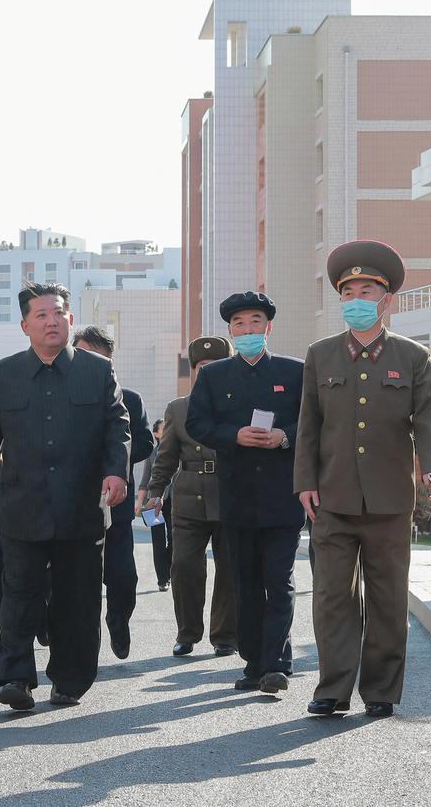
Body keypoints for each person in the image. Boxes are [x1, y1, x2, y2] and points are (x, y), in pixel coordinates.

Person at [295, 240, 431, 719]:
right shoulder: (320, 355)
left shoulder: (413, 356)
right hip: (333, 496)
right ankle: (333, 689)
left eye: (366, 291)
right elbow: (308, 425)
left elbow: (429, 418)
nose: (356, 300)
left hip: (389, 498)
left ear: (386, 300)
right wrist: (305, 481)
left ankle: (380, 690)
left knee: (386, 597)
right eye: (348, 292)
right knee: (331, 598)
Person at [0, 283, 130, 711]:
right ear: (25, 326)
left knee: (78, 598)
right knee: (18, 595)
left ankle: (69, 680)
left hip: (80, 507)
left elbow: (117, 425)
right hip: (23, 505)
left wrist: (116, 471)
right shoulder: (5, 373)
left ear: (69, 319)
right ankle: (17, 677)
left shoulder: (97, 370)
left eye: (57, 313)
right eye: (40, 315)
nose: (51, 321)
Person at [187, 292, 304, 696]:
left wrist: (284, 437)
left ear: (268, 327)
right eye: (239, 324)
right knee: (245, 581)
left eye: (256, 322)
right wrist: (233, 435)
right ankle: (255, 662)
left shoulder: (294, 372)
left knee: (279, 579)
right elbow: (197, 424)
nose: (248, 329)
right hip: (236, 496)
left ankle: (275, 664)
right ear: (230, 331)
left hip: (283, 495)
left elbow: (313, 422)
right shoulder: (214, 375)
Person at [143, 336, 237, 659]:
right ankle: (188, 632)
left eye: (215, 366)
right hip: (188, 497)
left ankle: (224, 635)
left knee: (229, 567)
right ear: (196, 371)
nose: (207, 372)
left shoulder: (239, 404)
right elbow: (165, 456)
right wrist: (155, 492)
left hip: (229, 494)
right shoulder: (179, 408)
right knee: (183, 565)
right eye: (201, 367)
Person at [71, 326, 154, 660]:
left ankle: (119, 618)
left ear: (109, 361)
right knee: (71, 578)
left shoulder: (129, 399)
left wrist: (112, 458)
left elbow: (146, 443)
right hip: (72, 503)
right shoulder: (64, 396)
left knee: (123, 576)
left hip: (114, 505)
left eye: (96, 357)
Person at [135, 419, 171, 591]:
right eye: (164, 428)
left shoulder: (178, 449)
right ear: (156, 434)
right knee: (158, 541)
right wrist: (139, 502)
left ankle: (170, 571)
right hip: (153, 502)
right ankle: (162, 579)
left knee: (173, 539)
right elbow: (144, 481)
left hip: (173, 501)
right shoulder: (151, 454)